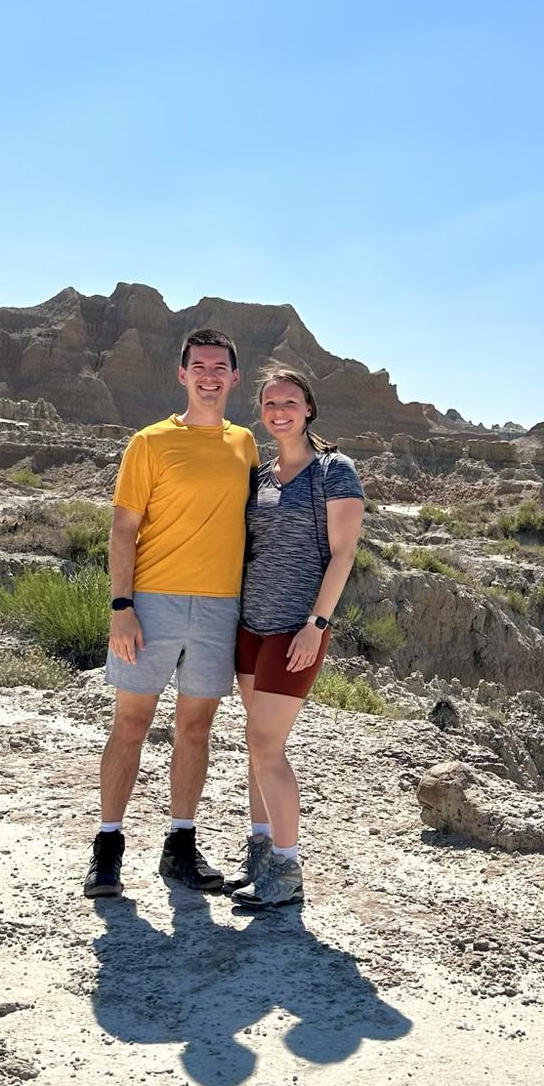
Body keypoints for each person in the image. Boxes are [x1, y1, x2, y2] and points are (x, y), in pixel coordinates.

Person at [83, 329, 259, 899]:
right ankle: (107, 848)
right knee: (131, 723)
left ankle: (179, 845)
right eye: (199, 365)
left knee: (195, 729)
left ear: (234, 378)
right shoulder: (150, 442)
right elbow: (124, 528)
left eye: (220, 367)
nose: (209, 375)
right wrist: (121, 607)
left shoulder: (246, 444)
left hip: (218, 608)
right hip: (151, 605)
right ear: (182, 375)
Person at [224, 368, 365, 908]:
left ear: (309, 408)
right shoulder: (259, 476)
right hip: (250, 626)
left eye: (289, 401)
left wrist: (318, 622)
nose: (279, 410)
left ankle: (287, 869)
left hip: (297, 630)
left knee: (266, 744)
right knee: (255, 742)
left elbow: (344, 552)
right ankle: (260, 853)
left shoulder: (334, 470)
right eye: (269, 402)